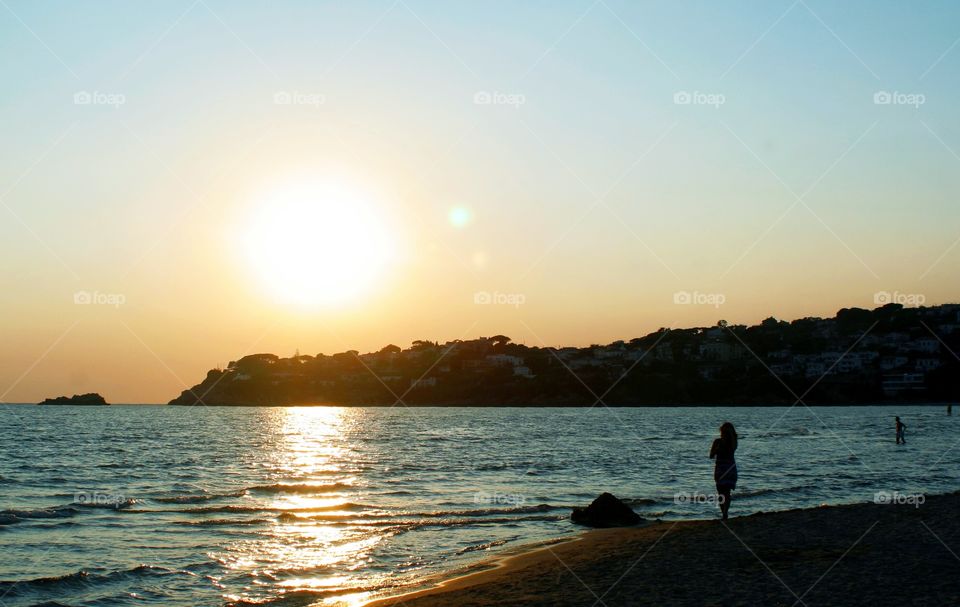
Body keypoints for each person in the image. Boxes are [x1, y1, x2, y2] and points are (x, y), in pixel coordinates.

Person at [709, 422, 738, 520]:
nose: (724, 433)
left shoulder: (732, 442)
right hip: (720, 469)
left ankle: (725, 513)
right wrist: (716, 450)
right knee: (721, 492)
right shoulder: (717, 441)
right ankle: (724, 513)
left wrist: (730, 436)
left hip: (729, 469)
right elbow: (711, 456)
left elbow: (732, 448)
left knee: (726, 492)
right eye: (723, 431)